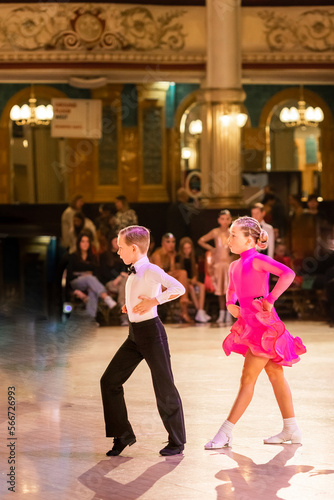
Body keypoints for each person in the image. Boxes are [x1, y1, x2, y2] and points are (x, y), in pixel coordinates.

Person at [204, 216, 306, 450]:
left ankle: (225, 432)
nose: (228, 239)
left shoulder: (259, 260)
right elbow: (231, 291)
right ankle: (291, 428)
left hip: (263, 326)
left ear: (249, 241)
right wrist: (230, 304)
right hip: (249, 324)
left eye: (233, 235)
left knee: (248, 378)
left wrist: (270, 299)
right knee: (275, 374)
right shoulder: (233, 265)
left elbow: (288, 274)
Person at [100, 225, 186, 456]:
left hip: (152, 334)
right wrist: (130, 306)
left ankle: (177, 442)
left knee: (164, 387)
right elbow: (138, 293)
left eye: (121, 248)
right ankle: (122, 435)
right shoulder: (134, 271)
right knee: (109, 381)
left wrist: (154, 301)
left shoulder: (150, 269)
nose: (118, 252)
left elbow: (178, 288)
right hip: (134, 335)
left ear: (134, 248)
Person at [67, 232, 117, 320]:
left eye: (87, 242)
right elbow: (69, 275)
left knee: (92, 290)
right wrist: (75, 290)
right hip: (76, 282)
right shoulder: (72, 257)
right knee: (90, 278)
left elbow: (97, 274)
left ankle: (90, 319)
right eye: (83, 241)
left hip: (90, 282)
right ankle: (106, 297)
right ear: (79, 243)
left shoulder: (92, 257)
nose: (85, 244)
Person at [198, 209, 233, 324]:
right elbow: (201, 240)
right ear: (218, 220)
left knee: (228, 290)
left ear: (230, 220)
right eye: (222, 219)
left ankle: (229, 313)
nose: (225, 221)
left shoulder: (232, 232)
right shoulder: (215, 232)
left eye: (227, 219)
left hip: (228, 264)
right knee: (220, 291)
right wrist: (211, 249)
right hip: (217, 264)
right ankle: (222, 313)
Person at [150, 233, 193, 323]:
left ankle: (184, 310)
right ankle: (184, 301)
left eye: (173, 242)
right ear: (162, 243)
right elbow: (160, 276)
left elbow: (172, 271)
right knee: (182, 274)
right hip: (156, 285)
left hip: (165, 281)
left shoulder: (171, 254)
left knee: (183, 275)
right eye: (168, 242)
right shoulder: (157, 255)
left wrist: (172, 258)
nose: (171, 244)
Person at [177, 237, 211, 323]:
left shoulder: (194, 258)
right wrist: (188, 280)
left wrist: (194, 278)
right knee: (191, 288)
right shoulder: (178, 258)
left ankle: (200, 311)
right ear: (182, 249)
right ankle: (199, 312)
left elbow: (195, 272)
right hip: (184, 282)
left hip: (192, 280)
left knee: (202, 286)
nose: (187, 250)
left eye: (188, 248)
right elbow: (179, 273)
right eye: (185, 248)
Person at [98, 233, 129, 326]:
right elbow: (104, 273)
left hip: (121, 282)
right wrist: (120, 276)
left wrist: (120, 277)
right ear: (110, 242)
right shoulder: (104, 256)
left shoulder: (123, 254)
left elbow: (127, 270)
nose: (118, 243)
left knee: (123, 283)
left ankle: (120, 309)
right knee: (124, 284)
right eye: (116, 241)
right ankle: (124, 316)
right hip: (110, 282)